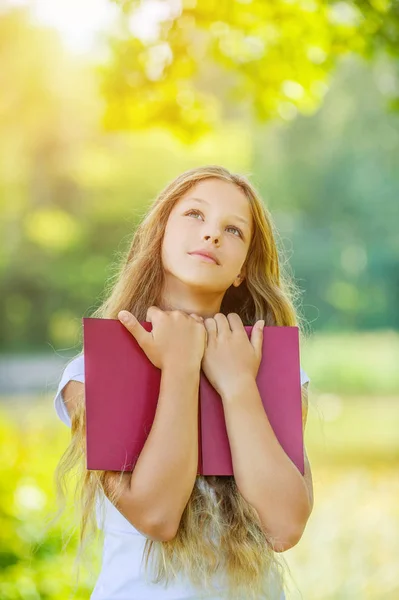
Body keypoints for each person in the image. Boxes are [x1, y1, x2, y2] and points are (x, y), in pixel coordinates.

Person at [52, 165, 313, 600]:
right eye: (195, 215)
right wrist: (180, 369)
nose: (211, 234)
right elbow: (157, 516)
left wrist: (237, 386)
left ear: (242, 271)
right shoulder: (90, 372)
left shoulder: (276, 372)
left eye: (233, 229)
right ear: (158, 236)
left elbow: (284, 526)